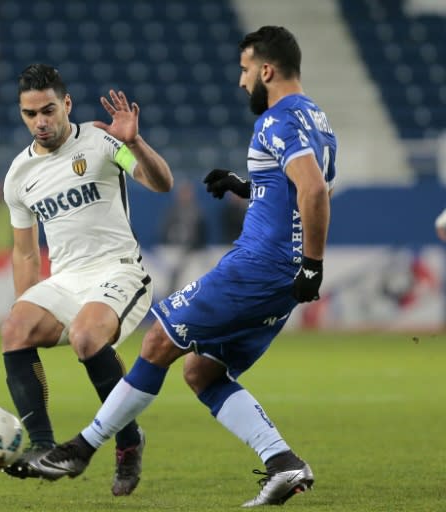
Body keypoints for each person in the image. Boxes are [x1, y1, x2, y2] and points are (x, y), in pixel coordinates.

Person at [30, 26, 337, 508]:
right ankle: (283, 462)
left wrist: (314, 267)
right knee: (203, 373)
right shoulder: (317, 119)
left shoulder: (277, 119)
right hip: (280, 274)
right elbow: (300, 188)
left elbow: (313, 191)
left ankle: (82, 447)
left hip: (259, 264)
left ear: (267, 70)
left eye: (244, 70)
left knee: (158, 339)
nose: (241, 82)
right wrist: (245, 186)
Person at [0, 63, 173, 496]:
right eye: (30, 114)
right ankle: (42, 448)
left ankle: (128, 441)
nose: (40, 121)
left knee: (86, 337)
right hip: (67, 279)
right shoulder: (18, 175)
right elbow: (24, 251)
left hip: (119, 269)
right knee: (14, 328)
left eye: (49, 110)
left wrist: (135, 142)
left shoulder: (102, 139)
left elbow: (161, 183)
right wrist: (30, 307)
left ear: (67, 105)